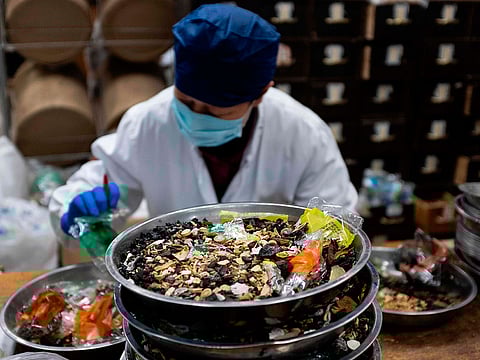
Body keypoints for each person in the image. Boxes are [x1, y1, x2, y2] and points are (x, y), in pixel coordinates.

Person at [49, 4, 358, 235]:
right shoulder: (148, 123)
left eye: (216, 111)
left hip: (273, 289)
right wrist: (75, 210)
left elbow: (335, 222)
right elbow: (95, 188)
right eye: (185, 101)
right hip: (173, 287)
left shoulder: (302, 133)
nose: (196, 117)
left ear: (261, 94)